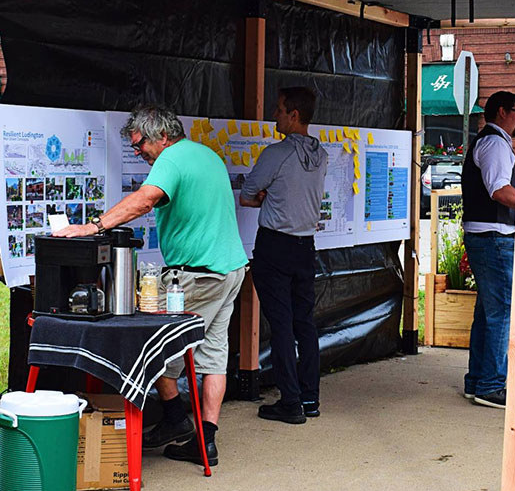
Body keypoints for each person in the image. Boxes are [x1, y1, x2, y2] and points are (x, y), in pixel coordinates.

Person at [54, 106, 248, 466]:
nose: (138, 151)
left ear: (161, 136)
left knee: (153, 344)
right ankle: (205, 441)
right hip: (231, 269)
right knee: (214, 356)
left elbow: (145, 199)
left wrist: (93, 226)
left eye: (140, 143)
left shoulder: (171, 159)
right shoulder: (205, 154)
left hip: (197, 273)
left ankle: (175, 419)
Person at [240, 87, 327, 424]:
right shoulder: (321, 155)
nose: (274, 116)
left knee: (280, 323)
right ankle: (310, 398)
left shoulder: (276, 153)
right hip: (305, 246)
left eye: (278, 110)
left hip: (275, 245)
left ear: (293, 115)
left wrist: (265, 196)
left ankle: (289, 401)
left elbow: (248, 194)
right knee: (304, 323)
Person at [461, 91, 515, 409]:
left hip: (483, 236)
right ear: (502, 112)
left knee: (486, 313)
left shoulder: (484, 141)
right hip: (495, 237)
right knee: (500, 313)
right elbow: (500, 190)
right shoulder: (496, 143)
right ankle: (491, 385)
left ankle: (477, 381)